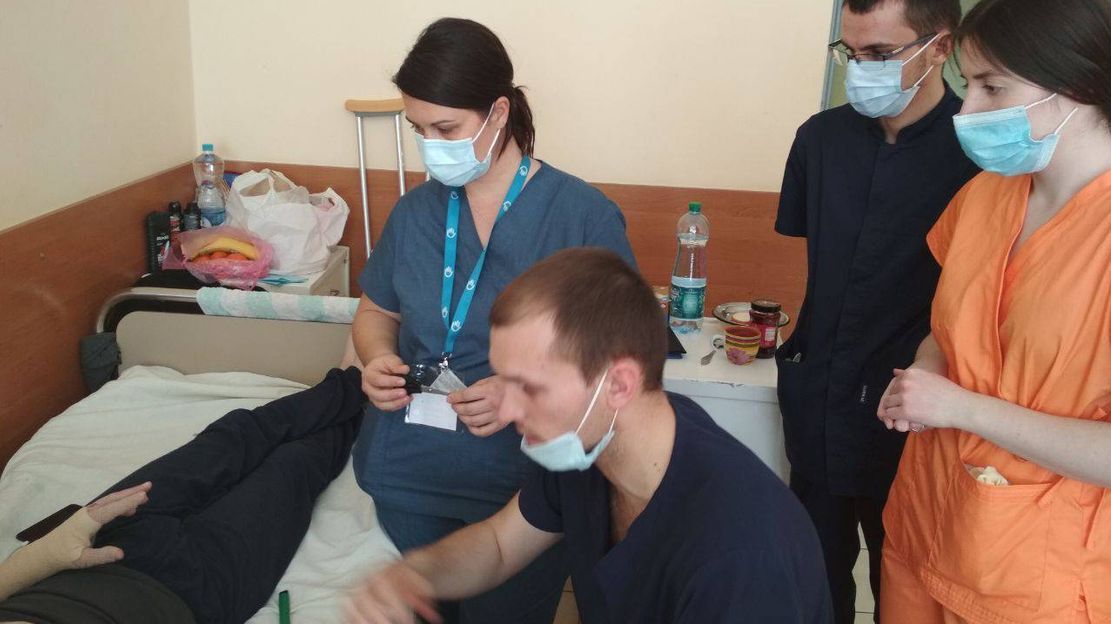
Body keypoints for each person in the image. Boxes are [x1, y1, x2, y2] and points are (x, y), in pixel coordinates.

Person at [346, 248, 833, 624]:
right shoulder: (585, 448)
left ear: (618, 383)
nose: (508, 407)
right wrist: (416, 573)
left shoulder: (739, 557)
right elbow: (497, 545)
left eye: (529, 388)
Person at [351, 18, 636, 624]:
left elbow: (619, 361)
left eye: (446, 128)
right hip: (406, 476)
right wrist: (376, 355)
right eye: (419, 129)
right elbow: (377, 309)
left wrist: (521, 389)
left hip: (523, 491)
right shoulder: (413, 214)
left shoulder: (582, 217)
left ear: (498, 112)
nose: (431, 145)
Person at [876, 0, 1111, 622]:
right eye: (967, 84)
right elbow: (953, 325)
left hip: (1036, 576)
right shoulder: (985, 196)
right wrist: (926, 373)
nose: (967, 109)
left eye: (991, 86)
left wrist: (960, 408)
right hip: (927, 522)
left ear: (1079, 86)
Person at [774, 1, 978, 620]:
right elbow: (823, 267)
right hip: (818, 399)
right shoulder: (820, 139)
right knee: (811, 581)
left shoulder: (977, 154)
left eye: (882, 55)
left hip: (915, 412)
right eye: (851, 54)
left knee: (908, 588)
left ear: (940, 49)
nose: (861, 69)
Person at [0, 367, 365, 624]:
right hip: (189, 593)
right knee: (294, 465)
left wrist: (41, 556)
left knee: (233, 436)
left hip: (97, 544)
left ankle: (359, 381)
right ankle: (376, 404)